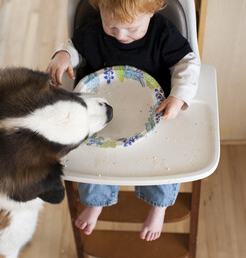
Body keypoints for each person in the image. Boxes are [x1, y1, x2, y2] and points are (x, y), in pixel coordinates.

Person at [46, 0, 200, 241]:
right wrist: (63, 56)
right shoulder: (95, 29)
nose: (121, 36)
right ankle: (97, 203)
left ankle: (159, 207)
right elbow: (75, 47)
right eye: (112, 27)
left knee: (165, 164)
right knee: (95, 162)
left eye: (132, 29)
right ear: (100, 9)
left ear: (153, 10)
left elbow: (187, 63)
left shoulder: (162, 33)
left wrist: (178, 97)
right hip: (103, 109)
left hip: (155, 112)